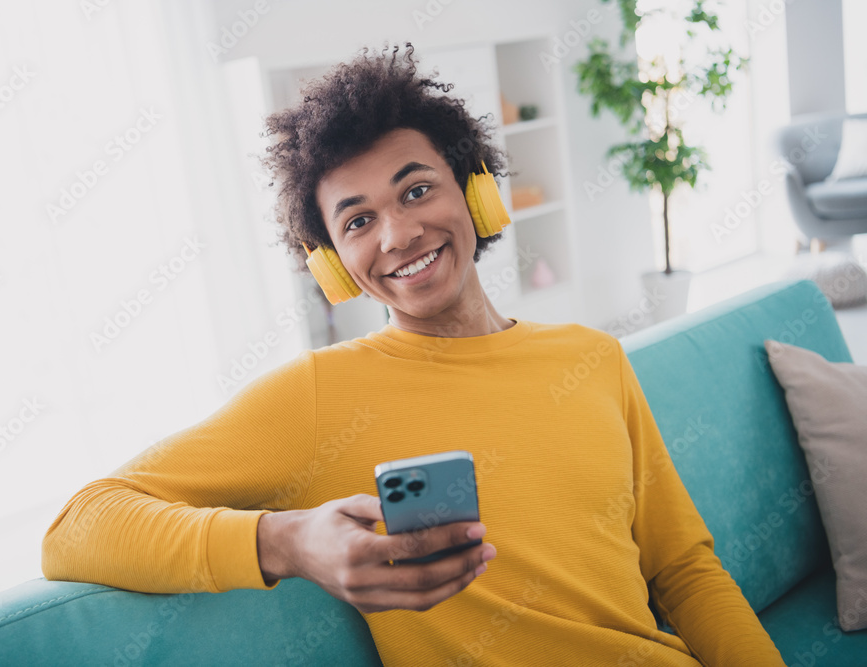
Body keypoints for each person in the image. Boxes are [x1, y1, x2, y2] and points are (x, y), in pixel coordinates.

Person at [42, 41, 786, 665]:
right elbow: (77, 525)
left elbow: (685, 570)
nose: (397, 235)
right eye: (358, 219)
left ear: (476, 193)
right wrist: (289, 541)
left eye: (416, 189)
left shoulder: (592, 358)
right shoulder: (316, 397)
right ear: (331, 262)